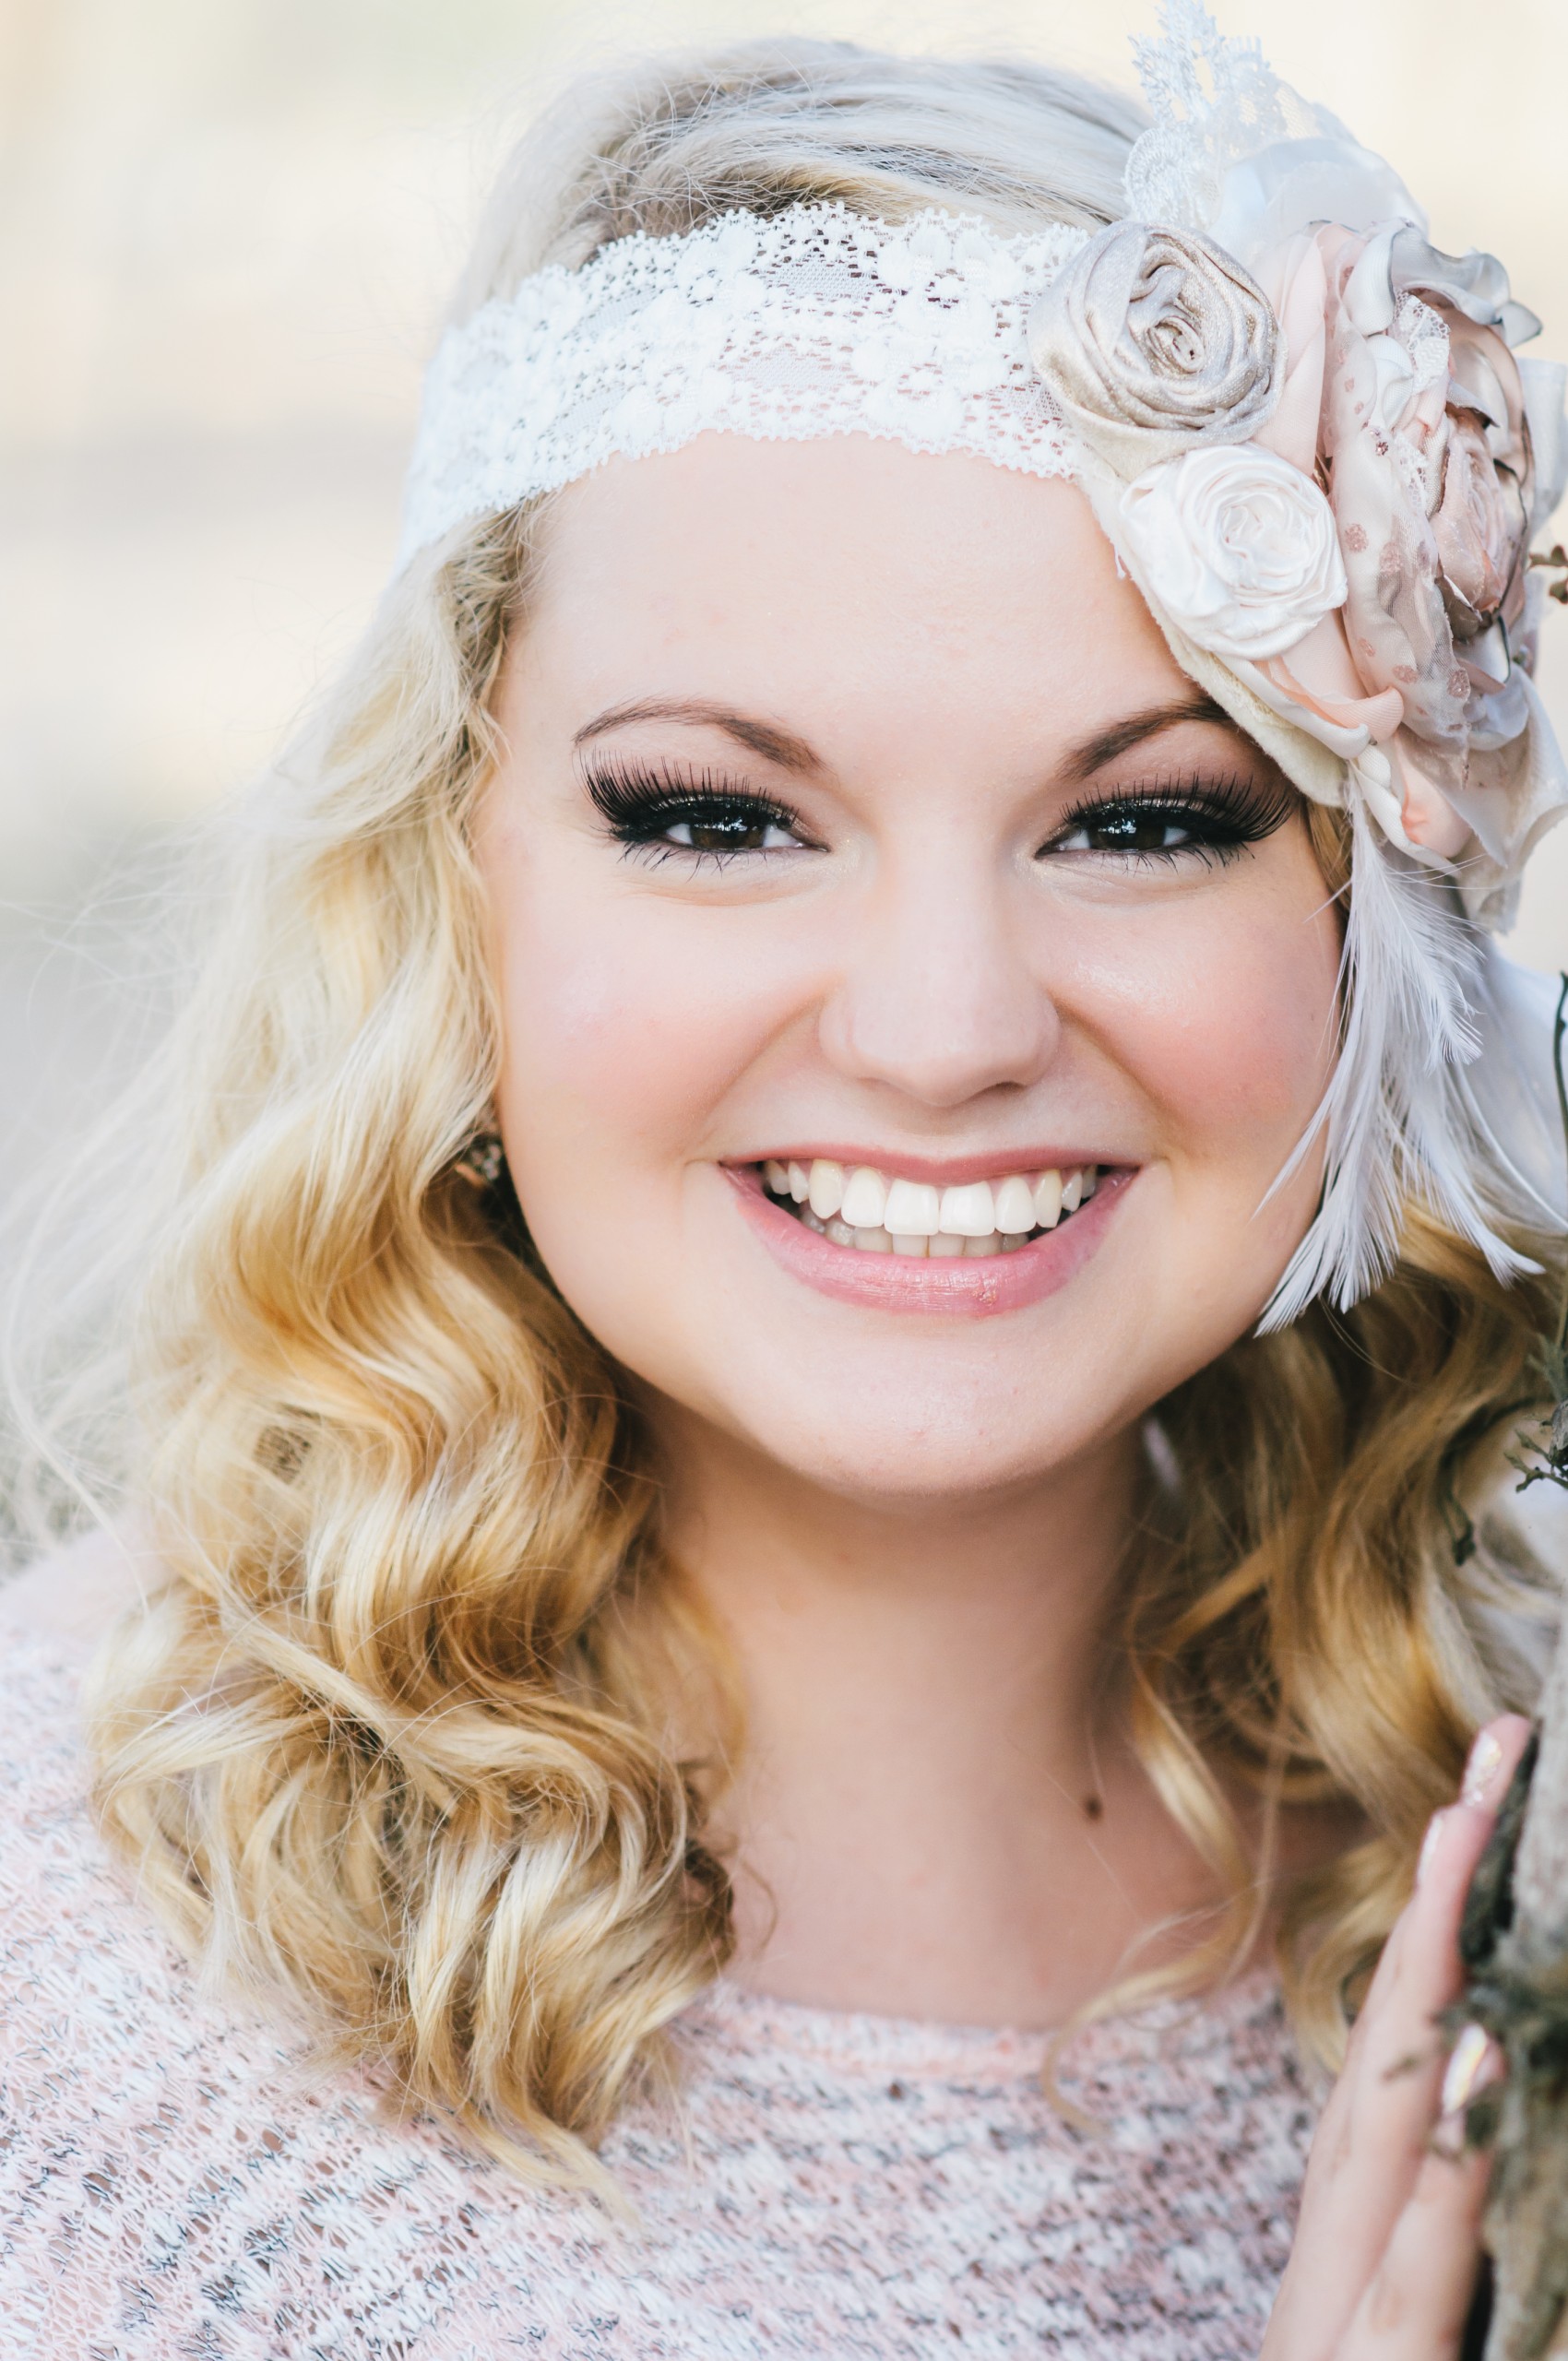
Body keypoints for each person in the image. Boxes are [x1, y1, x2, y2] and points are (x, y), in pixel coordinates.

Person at [3, 4, 1566, 2352]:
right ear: (450, 874)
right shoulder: (68, 1993)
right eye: (717, 818)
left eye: (1143, 821)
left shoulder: (1512, 1776)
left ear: (1370, 908)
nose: (943, 1027)